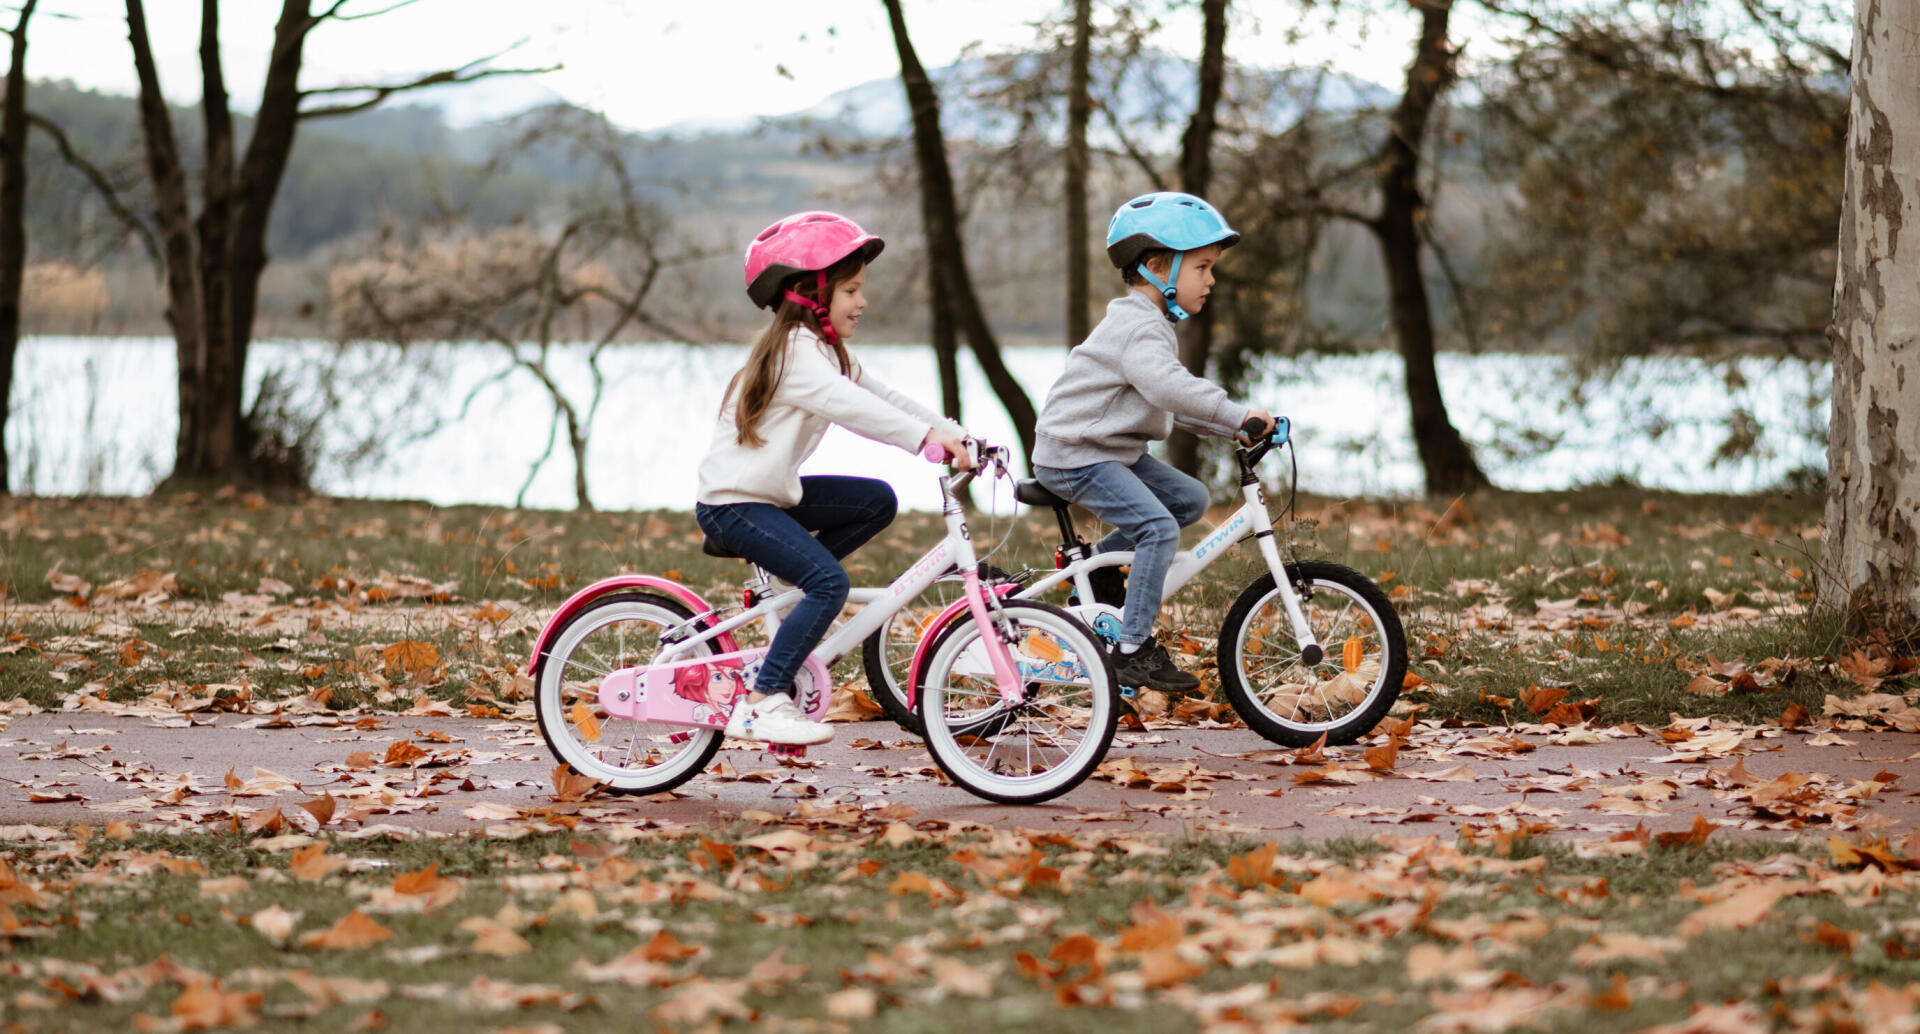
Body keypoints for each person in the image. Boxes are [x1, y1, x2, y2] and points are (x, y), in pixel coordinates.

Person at [695, 211, 971, 746]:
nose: (861, 301)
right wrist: (924, 442)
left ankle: (792, 582)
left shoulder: (825, 351)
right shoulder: (796, 356)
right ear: (809, 294)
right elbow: (854, 410)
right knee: (830, 584)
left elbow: (883, 396)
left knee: (875, 502)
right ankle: (761, 701)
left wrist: (953, 431)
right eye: (850, 290)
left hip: (766, 500)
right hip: (734, 506)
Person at [1031, 192, 1276, 693]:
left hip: (1108, 451)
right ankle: (1131, 649)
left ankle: (1097, 571)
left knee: (1189, 499)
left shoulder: (1148, 325)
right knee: (1158, 528)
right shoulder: (1137, 328)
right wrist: (1236, 412)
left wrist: (1232, 427)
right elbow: (1170, 388)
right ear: (1158, 265)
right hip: (1075, 454)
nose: (1210, 280)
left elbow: (1175, 403)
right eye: (1202, 267)